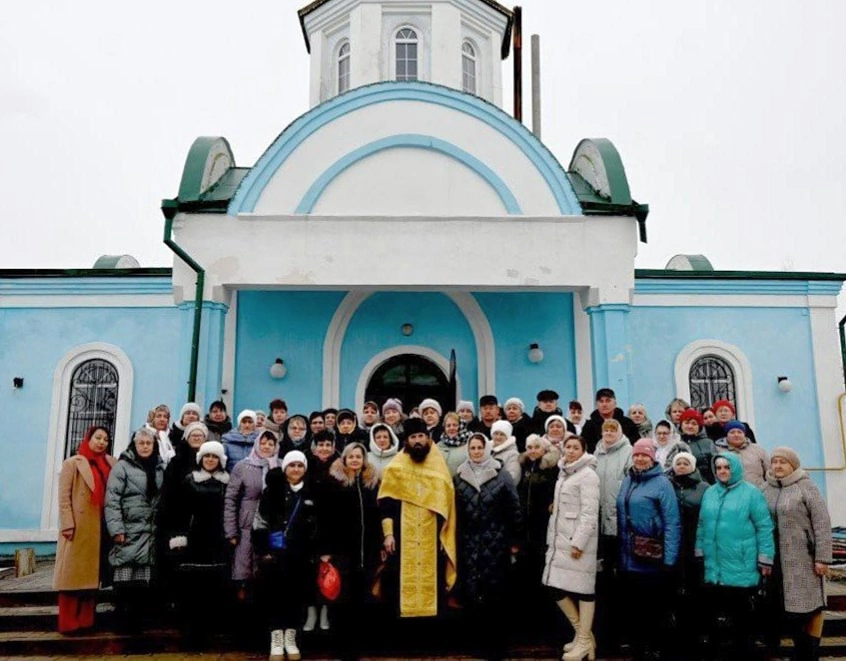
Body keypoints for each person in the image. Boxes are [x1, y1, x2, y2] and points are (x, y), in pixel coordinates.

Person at [377, 417, 457, 619]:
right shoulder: (395, 468)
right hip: (403, 538)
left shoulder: (439, 468)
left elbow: (447, 505)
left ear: (428, 439)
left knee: (435, 585)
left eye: (421, 436)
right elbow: (386, 503)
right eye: (413, 437)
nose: (418, 441)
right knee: (399, 585)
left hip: (432, 537)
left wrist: (443, 535)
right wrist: (388, 534)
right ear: (407, 440)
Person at [696, 453, 774, 658]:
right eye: (719, 468)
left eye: (726, 467)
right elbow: (702, 524)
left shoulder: (751, 493)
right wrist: (700, 551)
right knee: (718, 617)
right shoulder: (710, 492)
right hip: (715, 565)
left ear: (736, 468)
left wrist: (766, 557)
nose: (722, 471)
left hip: (741, 563)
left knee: (742, 617)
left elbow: (764, 526)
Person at [454, 433, 522, 660]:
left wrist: (513, 541)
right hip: (470, 544)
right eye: (472, 448)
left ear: (487, 449)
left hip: (496, 543)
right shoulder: (459, 476)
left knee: (496, 595)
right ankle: (478, 643)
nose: (475, 451)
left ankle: (498, 645)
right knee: (473, 593)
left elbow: (514, 510)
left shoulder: (501, 475)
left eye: (479, 447)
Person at [761, 447, 832, 660]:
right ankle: (797, 651)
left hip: (804, 559)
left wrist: (822, 558)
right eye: (774, 462)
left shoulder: (805, 487)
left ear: (793, 465)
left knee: (809, 606)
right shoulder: (766, 488)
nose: (778, 466)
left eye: (783, 462)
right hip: (776, 559)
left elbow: (821, 522)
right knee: (786, 608)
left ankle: (808, 653)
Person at [616, 439, 682, 659]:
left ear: (653, 458)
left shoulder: (662, 483)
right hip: (629, 554)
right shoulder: (628, 479)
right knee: (635, 606)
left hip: (652, 555)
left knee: (654, 607)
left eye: (645, 455)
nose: (640, 459)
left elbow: (672, 522)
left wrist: (670, 559)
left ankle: (655, 648)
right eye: (636, 455)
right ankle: (639, 645)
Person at [320, 442, 383, 661]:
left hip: (367, 551)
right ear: (344, 459)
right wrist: (326, 550)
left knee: (361, 599)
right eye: (351, 456)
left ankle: (357, 645)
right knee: (341, 600)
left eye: (359, 456)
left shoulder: (371, 484)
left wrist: (381, 543)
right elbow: (326, 518)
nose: (355, 460)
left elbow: (377, 517)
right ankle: (341, 646)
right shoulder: (334, 483)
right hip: (342, 552)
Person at [253, 451, 318, 661]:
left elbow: (319, 525)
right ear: (285, 468)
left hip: (301, 556)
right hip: (276, 555)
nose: (296, 470)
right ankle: (276, 640)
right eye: (292, 466)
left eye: (300, 465)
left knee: (296, 599)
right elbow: (259, 522)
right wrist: (263, 551)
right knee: (275, 598)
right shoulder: (273, 491)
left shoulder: (311, 493)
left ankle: (291, 639)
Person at [53, 425, 116, 634]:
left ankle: (86, 621)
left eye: (105, 439)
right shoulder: (73, 463)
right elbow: (64, 497)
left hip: (101, 527)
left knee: (91, 577)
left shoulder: (111, 464)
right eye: (98, 438)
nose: (101, 442)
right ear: (88, 439)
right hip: (80, 527)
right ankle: (69, 622)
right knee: (72, 577)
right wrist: (68, 523)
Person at [543, 435, 600, 661]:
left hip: (577, 542)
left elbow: (589, 512)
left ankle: (585, 641)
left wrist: (579, 542)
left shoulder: (588, 475)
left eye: (576, 447)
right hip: (560, 540)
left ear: (584, 450)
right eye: (568, 447)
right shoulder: (565, 472)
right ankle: (583, 635)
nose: (571, 451)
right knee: (555, 587)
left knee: (583, 588)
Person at [167, 441, 230, 644]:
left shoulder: (227, 481)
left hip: (218, 539)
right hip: (195, 538)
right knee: (192, 587)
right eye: (207, 456)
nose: (210, 460)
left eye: (214, 457)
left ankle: (212, 630)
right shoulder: (190, 480)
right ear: (201, 459)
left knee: (215, 585)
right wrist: (179, 535)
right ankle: (191, 632)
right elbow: (179, 510)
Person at [105, 427, 165, 632]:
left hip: (149, 532)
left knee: (144, 579)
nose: (146, 447)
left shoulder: (159, 467)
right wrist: (116, 530)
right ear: (134, 445)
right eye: (142, 443)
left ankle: (140, 623)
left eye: (149, 443)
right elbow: (112, 501)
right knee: (125, 577)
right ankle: (123, 623)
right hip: (128, 531)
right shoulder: (122, 467)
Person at [225, 430, 281, 600]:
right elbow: (231, 499)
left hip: (271, 522)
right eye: (263, 443)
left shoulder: (281, 465)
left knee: (266, 569)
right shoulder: (242, 466)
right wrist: (231, 531)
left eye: (270, 444)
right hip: (247, 523)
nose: (266, 447)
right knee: (244, 571)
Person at [593, 419, 632, 653]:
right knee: (603, 582)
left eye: (612, 430)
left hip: (620, 527)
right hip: (599, 529)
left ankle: (623, 634)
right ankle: (605, 635)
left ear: (619, 432)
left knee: (622, 582)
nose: (608, 433)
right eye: (605, 430)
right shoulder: (595, 453)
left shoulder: (628, 452)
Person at [516, 434, 561, 633]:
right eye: (529, 447)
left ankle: (546, 623)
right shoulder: (525, 468)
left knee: (545, 575)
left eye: (536, 447)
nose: (533, 450)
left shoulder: (551, 470)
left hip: (543, 528)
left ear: (544, 449)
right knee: (528, 576)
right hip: (527, 530)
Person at [667, 452, 709, 655]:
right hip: (674, 541)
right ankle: (676, 635)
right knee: (675, 587)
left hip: (696, 540)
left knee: (696, 586)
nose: (682, 466)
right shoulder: (667, 484)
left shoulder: (704, 488)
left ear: (693, 466)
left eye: (686, 463)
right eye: (678, 463)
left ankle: (698, 635)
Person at [304, 430, 341, 632]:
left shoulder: (338, 468)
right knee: (310, 574)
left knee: (328, 574)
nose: (324, 449)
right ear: (315, 447)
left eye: (328, 445)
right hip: (309, 528)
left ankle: (325, 610)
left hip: (330, 527)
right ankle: (311, 612)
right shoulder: (306, 465)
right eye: (321, 445)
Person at [717, 420, 768, 486]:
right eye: (732, 432)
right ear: (726, 435)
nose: (736, 435)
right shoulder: (718, 451)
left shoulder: (758, 450)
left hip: (758, 492)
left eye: (740, 432)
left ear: (744, 434)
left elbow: (770, 472)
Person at [678, 409, 717, 484]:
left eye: (694, 424)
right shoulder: (676, 443)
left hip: (704, 484)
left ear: (699, 427)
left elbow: (715, 466)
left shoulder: (708, 443)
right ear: (681, 425)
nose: (690, 426)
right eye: (687, 423)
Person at [436, 412, 471, 476]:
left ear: (460, 426)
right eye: (448, 426)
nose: (451, 428)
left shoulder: (469, 444)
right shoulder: (438, 446)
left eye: (455, 425)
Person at [491, 420, 521, 486]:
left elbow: (513, 478)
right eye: (496, 433)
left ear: (507, 437)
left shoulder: (513, 455)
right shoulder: (487, 451)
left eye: (502, 434)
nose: (498, 437)